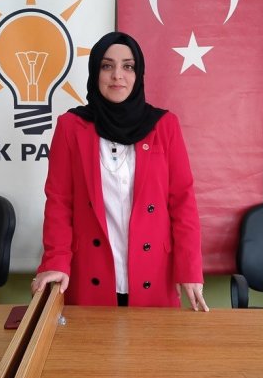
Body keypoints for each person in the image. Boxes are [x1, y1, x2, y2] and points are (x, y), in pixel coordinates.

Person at [31, 31, 208, 311]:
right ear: (95, 72)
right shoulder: (71, 126)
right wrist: (55, 261)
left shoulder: (164, 125)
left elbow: (183, 202)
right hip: (90, 271)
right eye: (107, 66)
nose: (117, 75)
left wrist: (189, 268)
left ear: (138, 74)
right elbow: (59, 203)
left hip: (154, 272)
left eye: (128, 66)